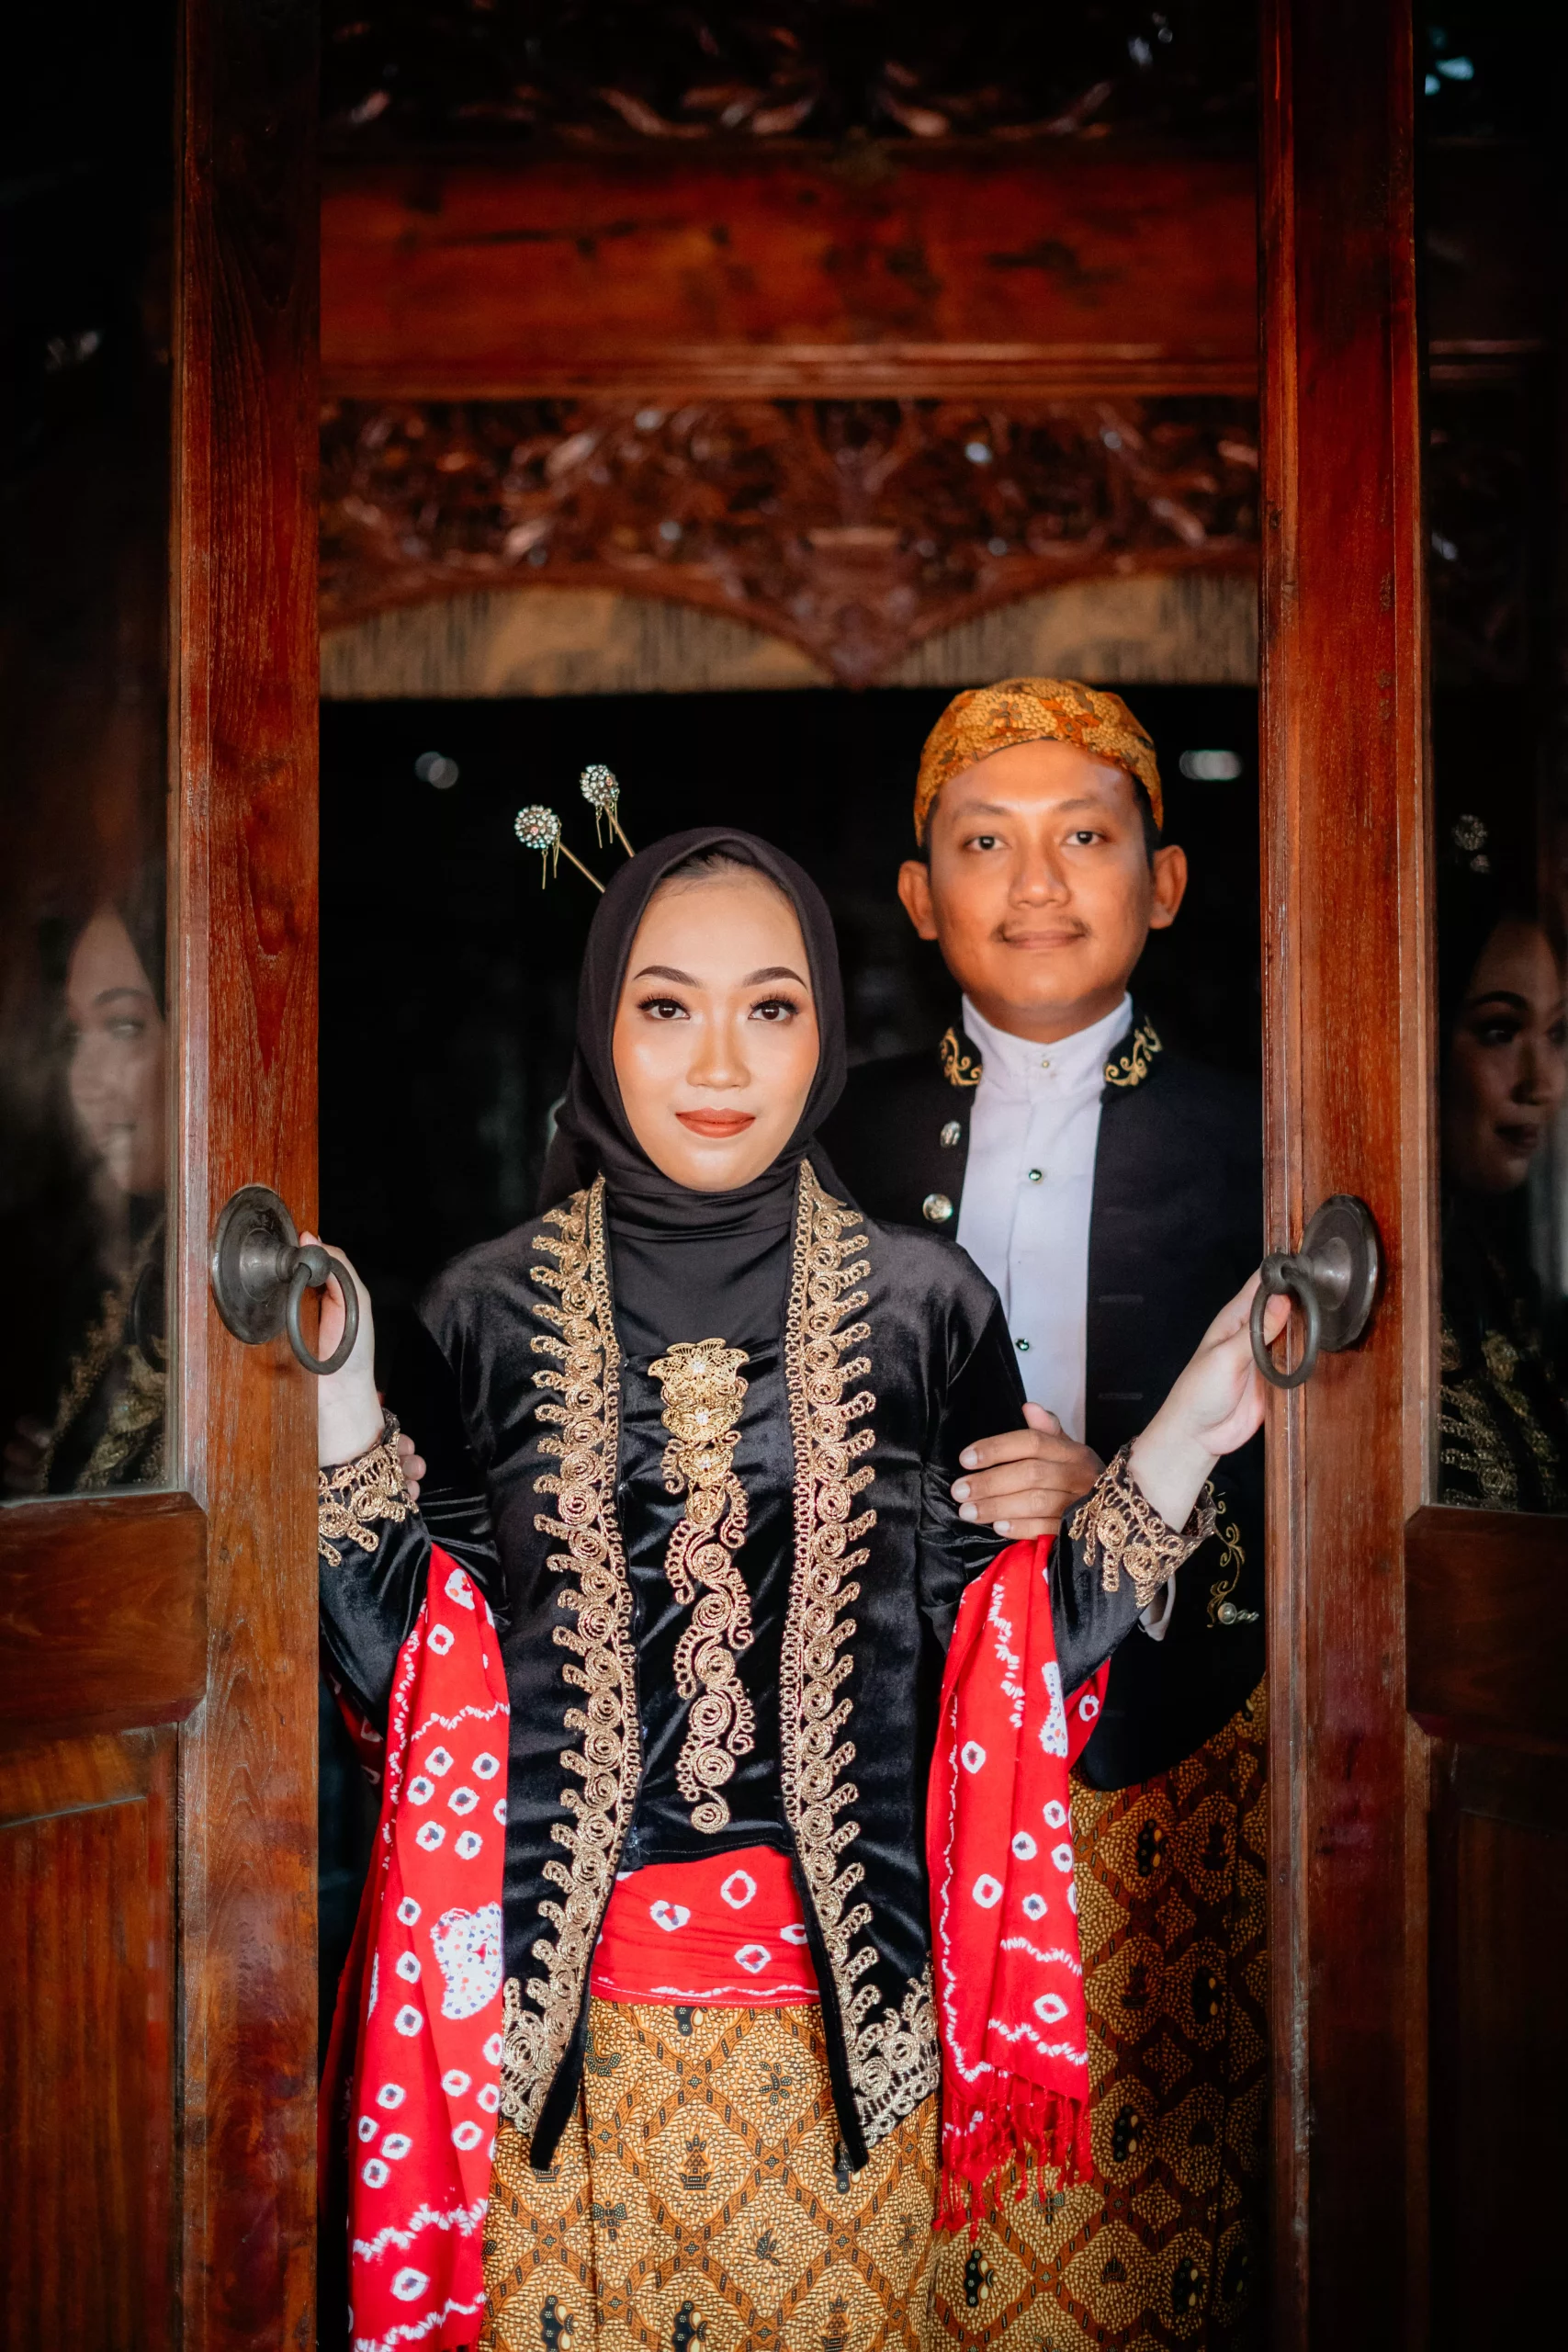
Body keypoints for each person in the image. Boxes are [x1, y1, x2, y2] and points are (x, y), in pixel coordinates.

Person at [312, 827, 1279, 2352]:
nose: (719, 1061)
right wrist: (337, 1422)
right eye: (664, 1006)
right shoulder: (479, 1310)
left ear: (824, 1029)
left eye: (769, 1007)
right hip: (546, 2068)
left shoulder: (923, 1307)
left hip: (841, 2066)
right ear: (599, 1025)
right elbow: (414, 1677)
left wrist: (1178, 1443)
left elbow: (1000, 1666)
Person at [818, 680, 1267, 2345]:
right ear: (918, 896)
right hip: (896, 1750)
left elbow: (1342, 1472)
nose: (1034, 885)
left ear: (1164, 881)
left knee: (1156, 2201)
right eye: (982, 845)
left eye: (1083, 837)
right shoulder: (831, 1132)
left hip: (1170, 1741)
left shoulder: (1267, 1134)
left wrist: (1125, 1501)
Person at [3, 875, 167, 1494]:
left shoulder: (256, 1268)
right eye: (76, 1034)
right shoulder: (103, 1256)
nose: (85, 1079)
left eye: (123, 1027)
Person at [1437, 840, 1568, 1508]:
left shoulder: (1510, 1277)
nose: (1539, 1083)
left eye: (1557, 1034)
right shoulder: (1351, 1286)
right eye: (1499, 1031)